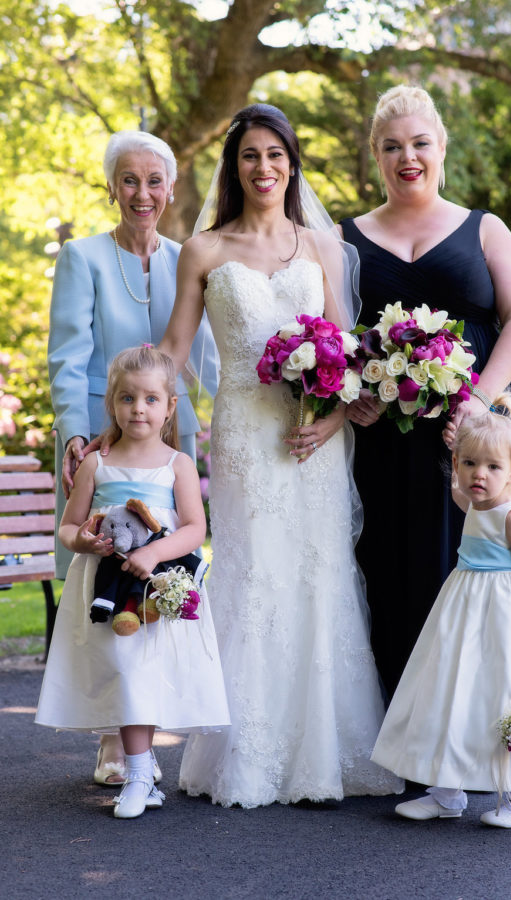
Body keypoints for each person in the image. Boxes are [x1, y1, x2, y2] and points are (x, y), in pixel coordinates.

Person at [159, 103, 401, 808]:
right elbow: (175, 352)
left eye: (274, 154)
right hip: (241, 437)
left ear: (291, 162)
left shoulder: (321, 245)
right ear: (233, 169)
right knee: (253, 576)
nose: (263, 168)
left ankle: (322, 753)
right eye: (248, 156)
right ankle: (244, 754)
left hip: (310, 439)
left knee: (316, 576)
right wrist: (128, 416)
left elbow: (346, 353)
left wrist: (328, 425)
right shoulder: (203, 251)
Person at [340, 84, 511, 700]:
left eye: (420, 143)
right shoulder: (346, 237)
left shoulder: (484, 228)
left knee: (479, 564)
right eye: (392, 146)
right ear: (375, 155)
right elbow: (334, 335)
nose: (409, 157)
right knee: (392, 566)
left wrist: (477, 401)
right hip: (387, 436)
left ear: (441, 146)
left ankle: (490, 724)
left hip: (475, 433)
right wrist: (350, 392)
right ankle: (408, 740)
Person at [47, 129, 217, 785]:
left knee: (161, 580)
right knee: (102, 580)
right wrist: (72, 434)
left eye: (154, 181)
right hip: (100, 433)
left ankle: (149, 720)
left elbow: (205, 356)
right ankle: (111, 738)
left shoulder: (187, 257)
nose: (141, 193)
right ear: (112, 187)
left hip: (173, 435)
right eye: (128, 180)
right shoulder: (81, 257)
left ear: (171, 189)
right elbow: (66, 357)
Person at [370, 393, 511, 827]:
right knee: (452, 689)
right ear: (456, 464)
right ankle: (445, 790)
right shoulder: (473, 502)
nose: (479, 474)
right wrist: (457, 449)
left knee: (509, 692)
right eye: (470, 463)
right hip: (463, 613)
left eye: (493, 467)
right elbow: (461, 495)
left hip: (509, 617)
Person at [36, 346, 229, 819]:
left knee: (144, 672)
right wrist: (84, 542)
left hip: (157, 586)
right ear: (111, 404)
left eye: (149, 399)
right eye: (126, 398)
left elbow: (192, 528)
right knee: (124, 670)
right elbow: (67, 527)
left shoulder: (177, 464)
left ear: (169, 407)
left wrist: (152, 552)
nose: (137, 408)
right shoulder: (96, 464)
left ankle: (142, 772)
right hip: (105, 589)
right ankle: (140, 773)